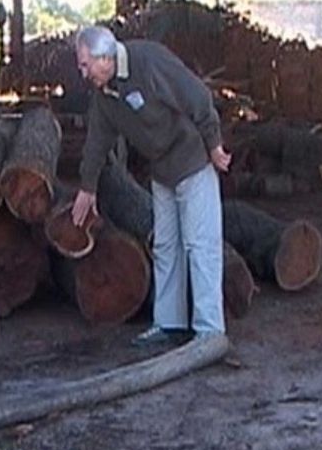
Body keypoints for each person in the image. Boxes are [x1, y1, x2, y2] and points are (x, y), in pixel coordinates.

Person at [71, 25, 231, 346]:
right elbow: (97, 142)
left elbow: (196, 96)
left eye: (86, 64)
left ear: (105, 58)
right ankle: (169, 323)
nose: (82, 72)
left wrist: (214, 145)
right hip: (162, 171)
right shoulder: (104, 95)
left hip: (192, 162)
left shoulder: (149, 61)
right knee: (165, 246)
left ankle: (210, 330)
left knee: (201, 246)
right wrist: (87, 189)